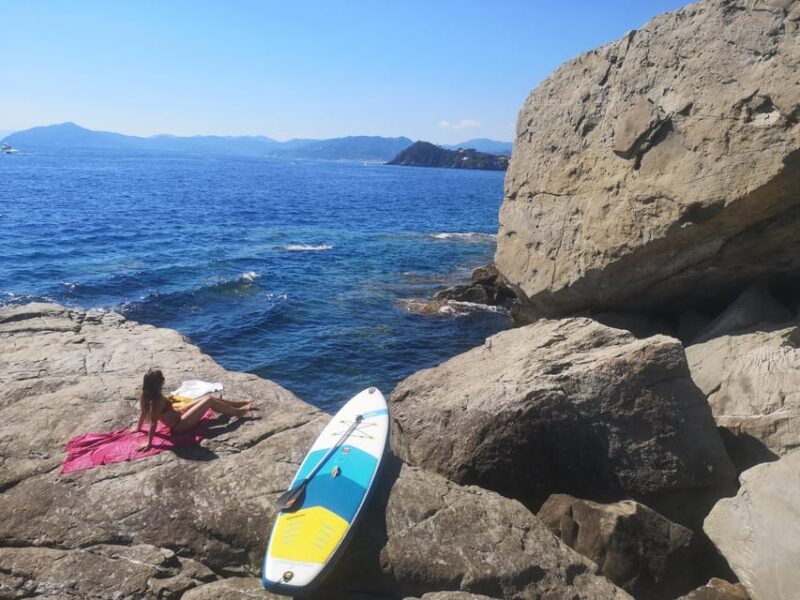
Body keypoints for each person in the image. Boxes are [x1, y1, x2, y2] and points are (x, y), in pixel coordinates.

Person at [134, 369, 253, 451]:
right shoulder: (157, 401)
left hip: (179, 414)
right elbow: (153, 422)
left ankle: (238, 404)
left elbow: (143, 413)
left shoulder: (144, 395)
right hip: (180, 424)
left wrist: (138, 428)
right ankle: (238, 412)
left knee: (207, 398)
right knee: (209, 401)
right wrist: (149, 443)